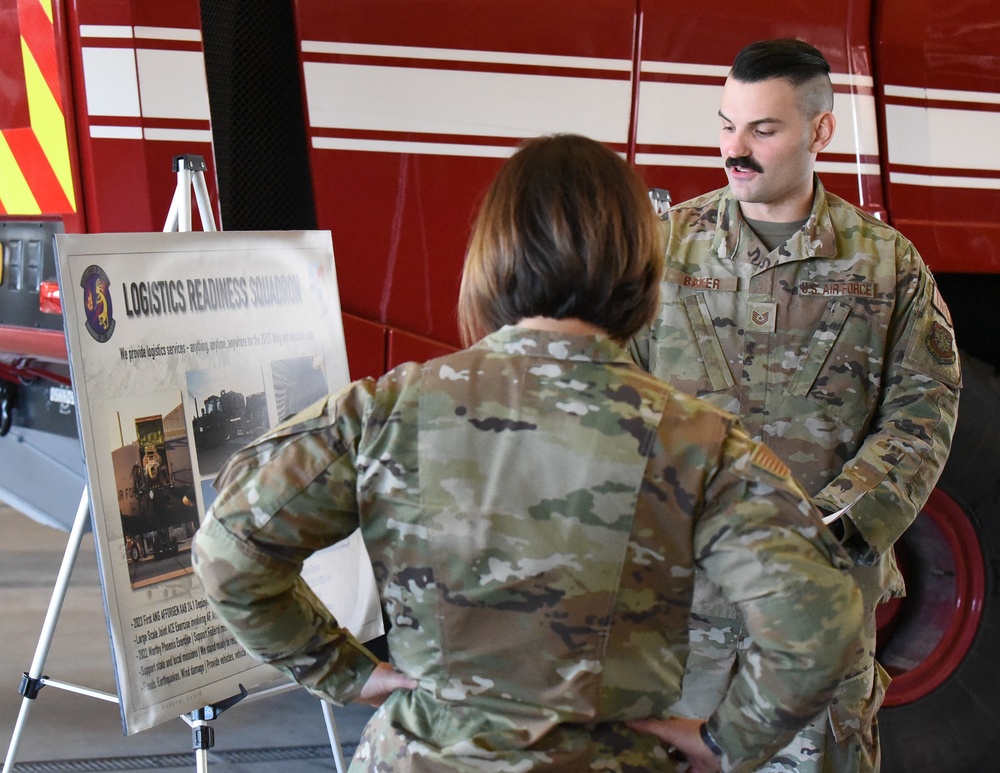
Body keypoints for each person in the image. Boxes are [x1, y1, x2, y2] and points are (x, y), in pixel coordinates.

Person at [192, 133, 862, 772]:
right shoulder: (698, 440)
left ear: (492, 256)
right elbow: (816, 620)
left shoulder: (385, 411)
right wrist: (726, 737)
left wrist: (345, 670)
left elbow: (230, 551)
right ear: (640, 263)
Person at [629, 39, 962, 773]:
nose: (735, 150)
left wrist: (833, 529)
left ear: (819, 131)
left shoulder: (886, 264)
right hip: (685, 612)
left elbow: (922, 410)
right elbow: (607, 403)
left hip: (819, 608)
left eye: (762, 129)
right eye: (726, 126)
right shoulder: (659, 252)